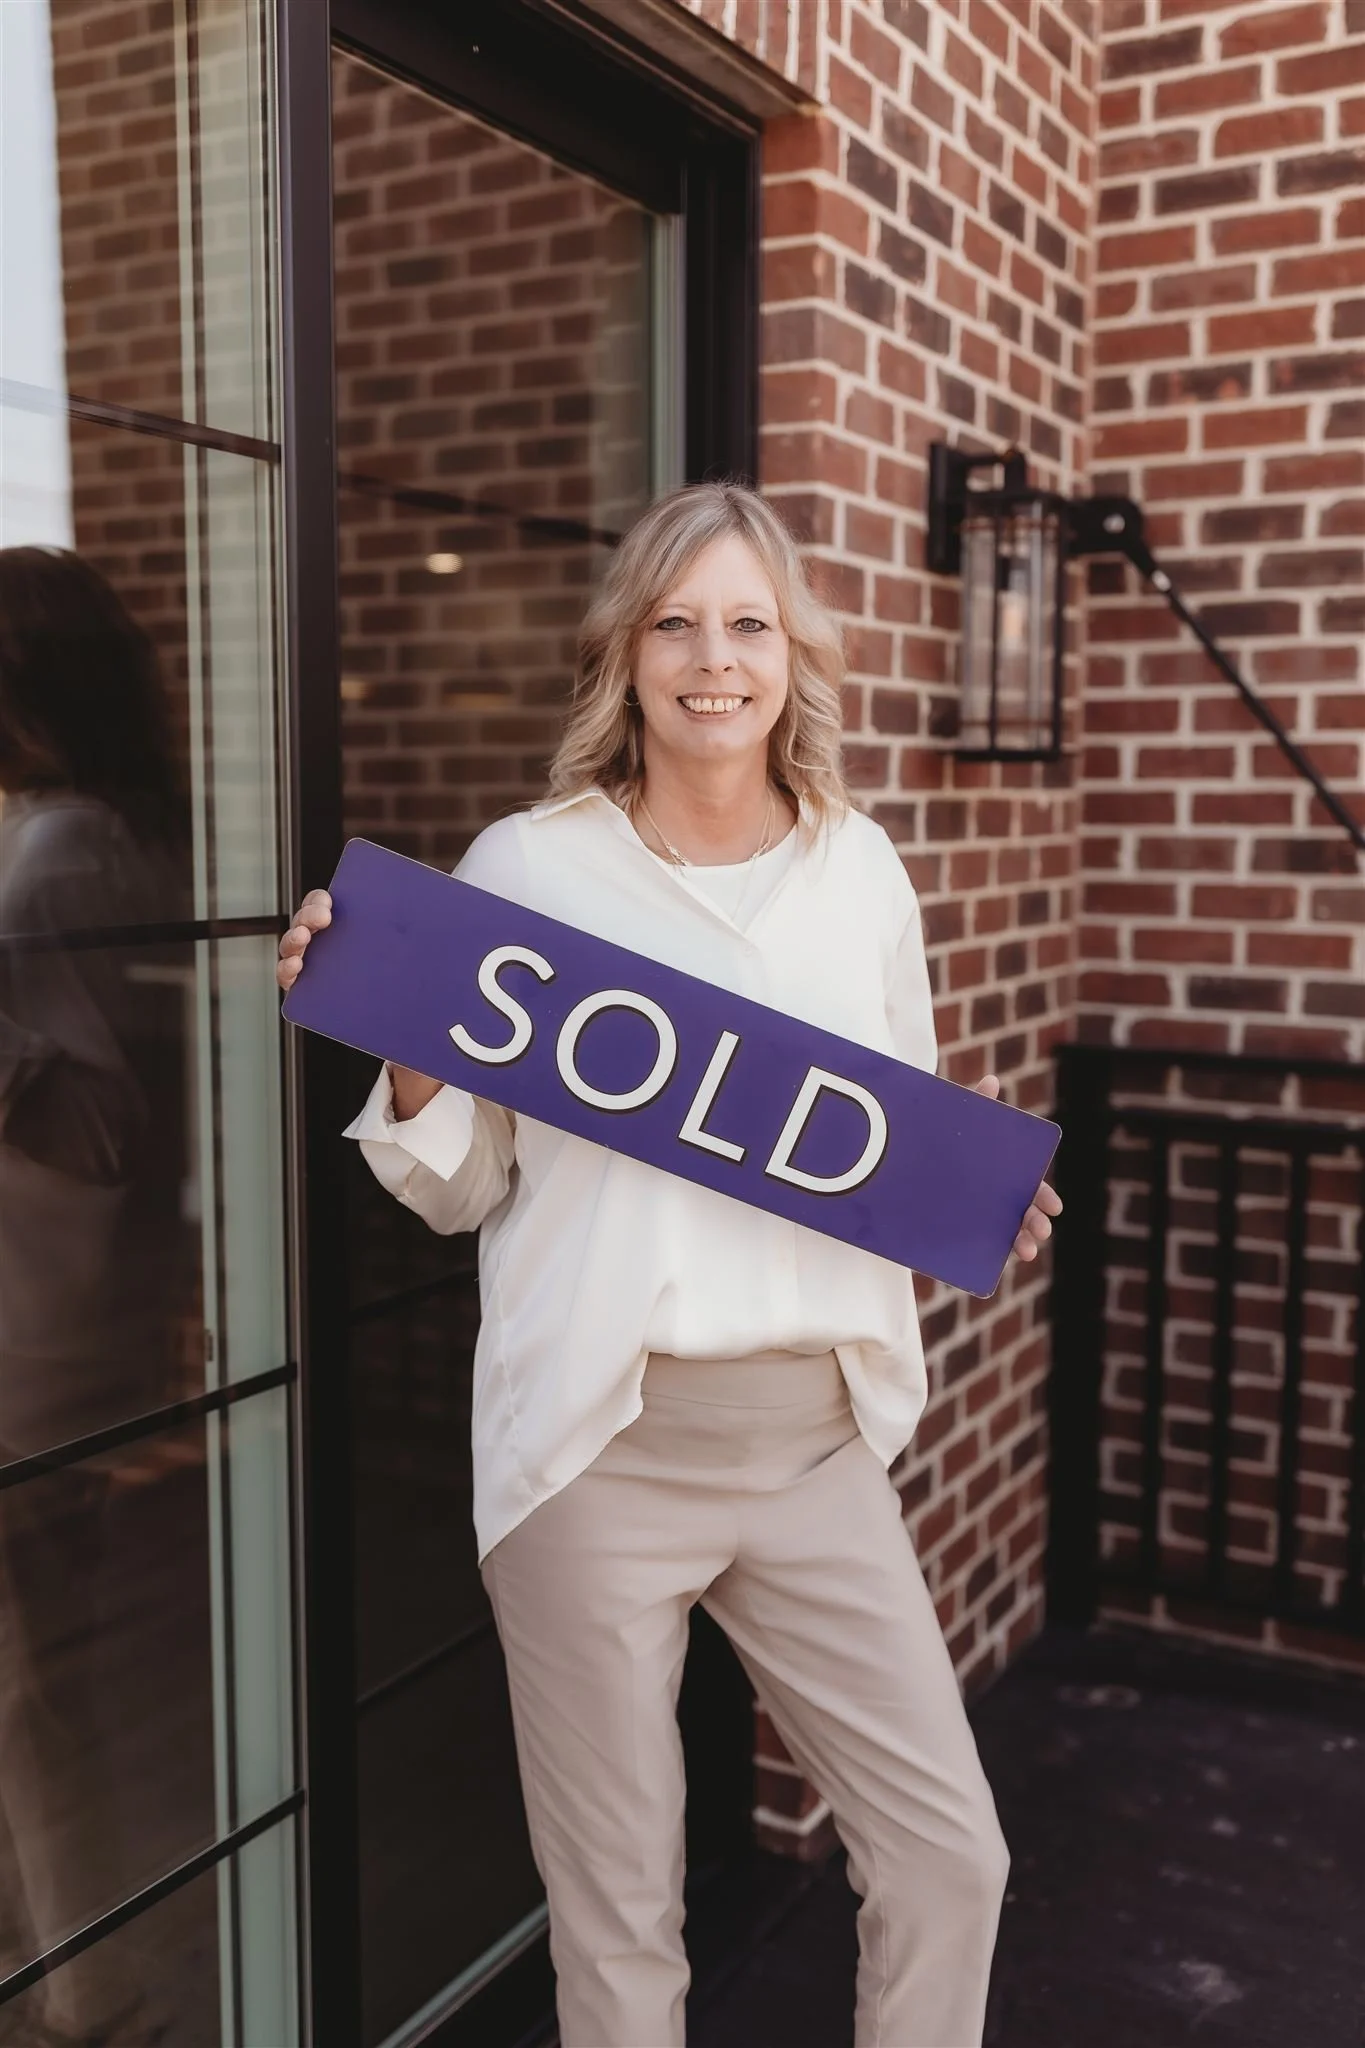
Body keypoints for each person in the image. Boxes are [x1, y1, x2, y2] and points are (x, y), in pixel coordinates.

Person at [278, 482, 1060, 2048]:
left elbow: (884, 1142)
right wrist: (403, 1047)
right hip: (596, 1450)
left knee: (949, 1854)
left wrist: (970, 1201)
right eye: (677, 623)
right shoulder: (527, 869)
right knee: (620, 1928)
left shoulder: (862, 873)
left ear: (795, 657)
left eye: (749, 624)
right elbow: (461, 1187)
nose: (716, 659)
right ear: (626, 653)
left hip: (810, 1444)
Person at [0, 545, 190, 2047]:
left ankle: (89, 1992)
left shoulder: (59, 848)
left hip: (31, 1342)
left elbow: (104, 1124)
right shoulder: (107, 833)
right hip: (73, 1332)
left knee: (33, 1691)